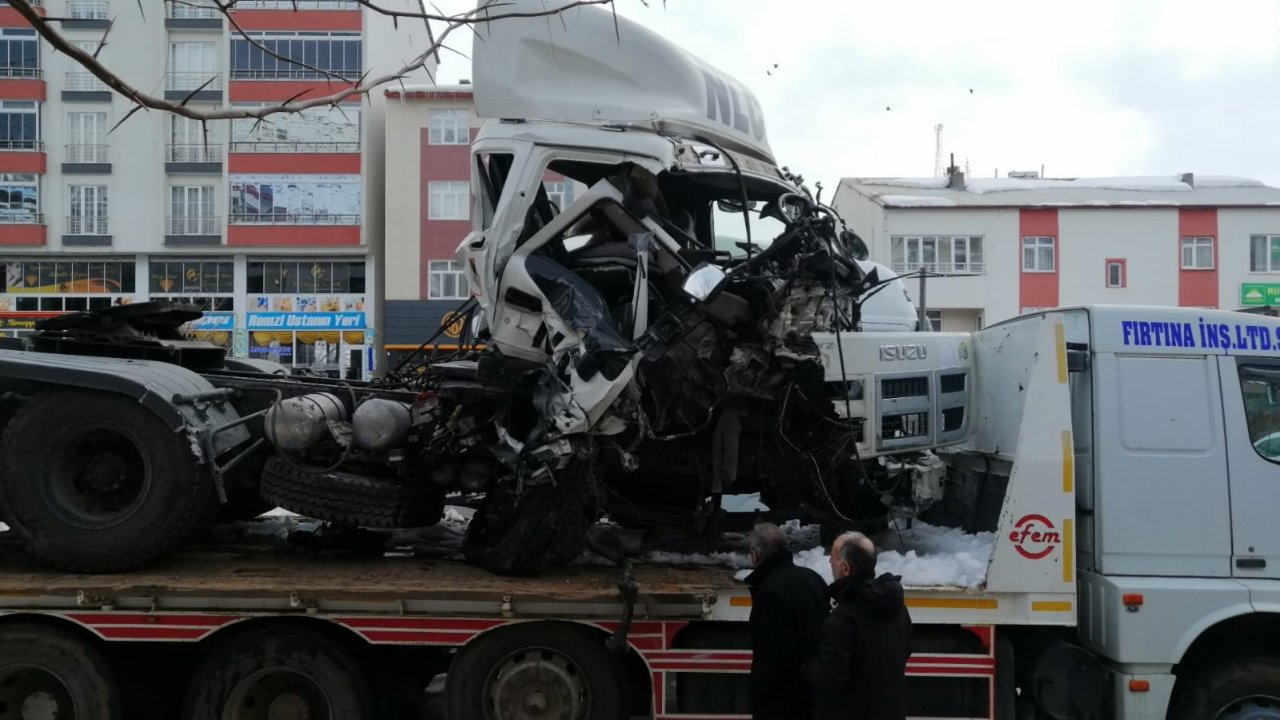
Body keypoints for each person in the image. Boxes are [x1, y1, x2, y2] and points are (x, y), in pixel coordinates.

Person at [806, 532, 913, 720]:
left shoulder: (842, 619)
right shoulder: (898, 609)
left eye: (833, 556)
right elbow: (905, 651)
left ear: (846, 568)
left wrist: (807, 667)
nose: (829, 560)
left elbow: (828, 680)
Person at [744, 522, 829, 720]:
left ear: (756, 555)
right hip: (813, 693)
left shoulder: (769, 591)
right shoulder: (813, 578)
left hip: (783, 700)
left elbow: (773, 655)